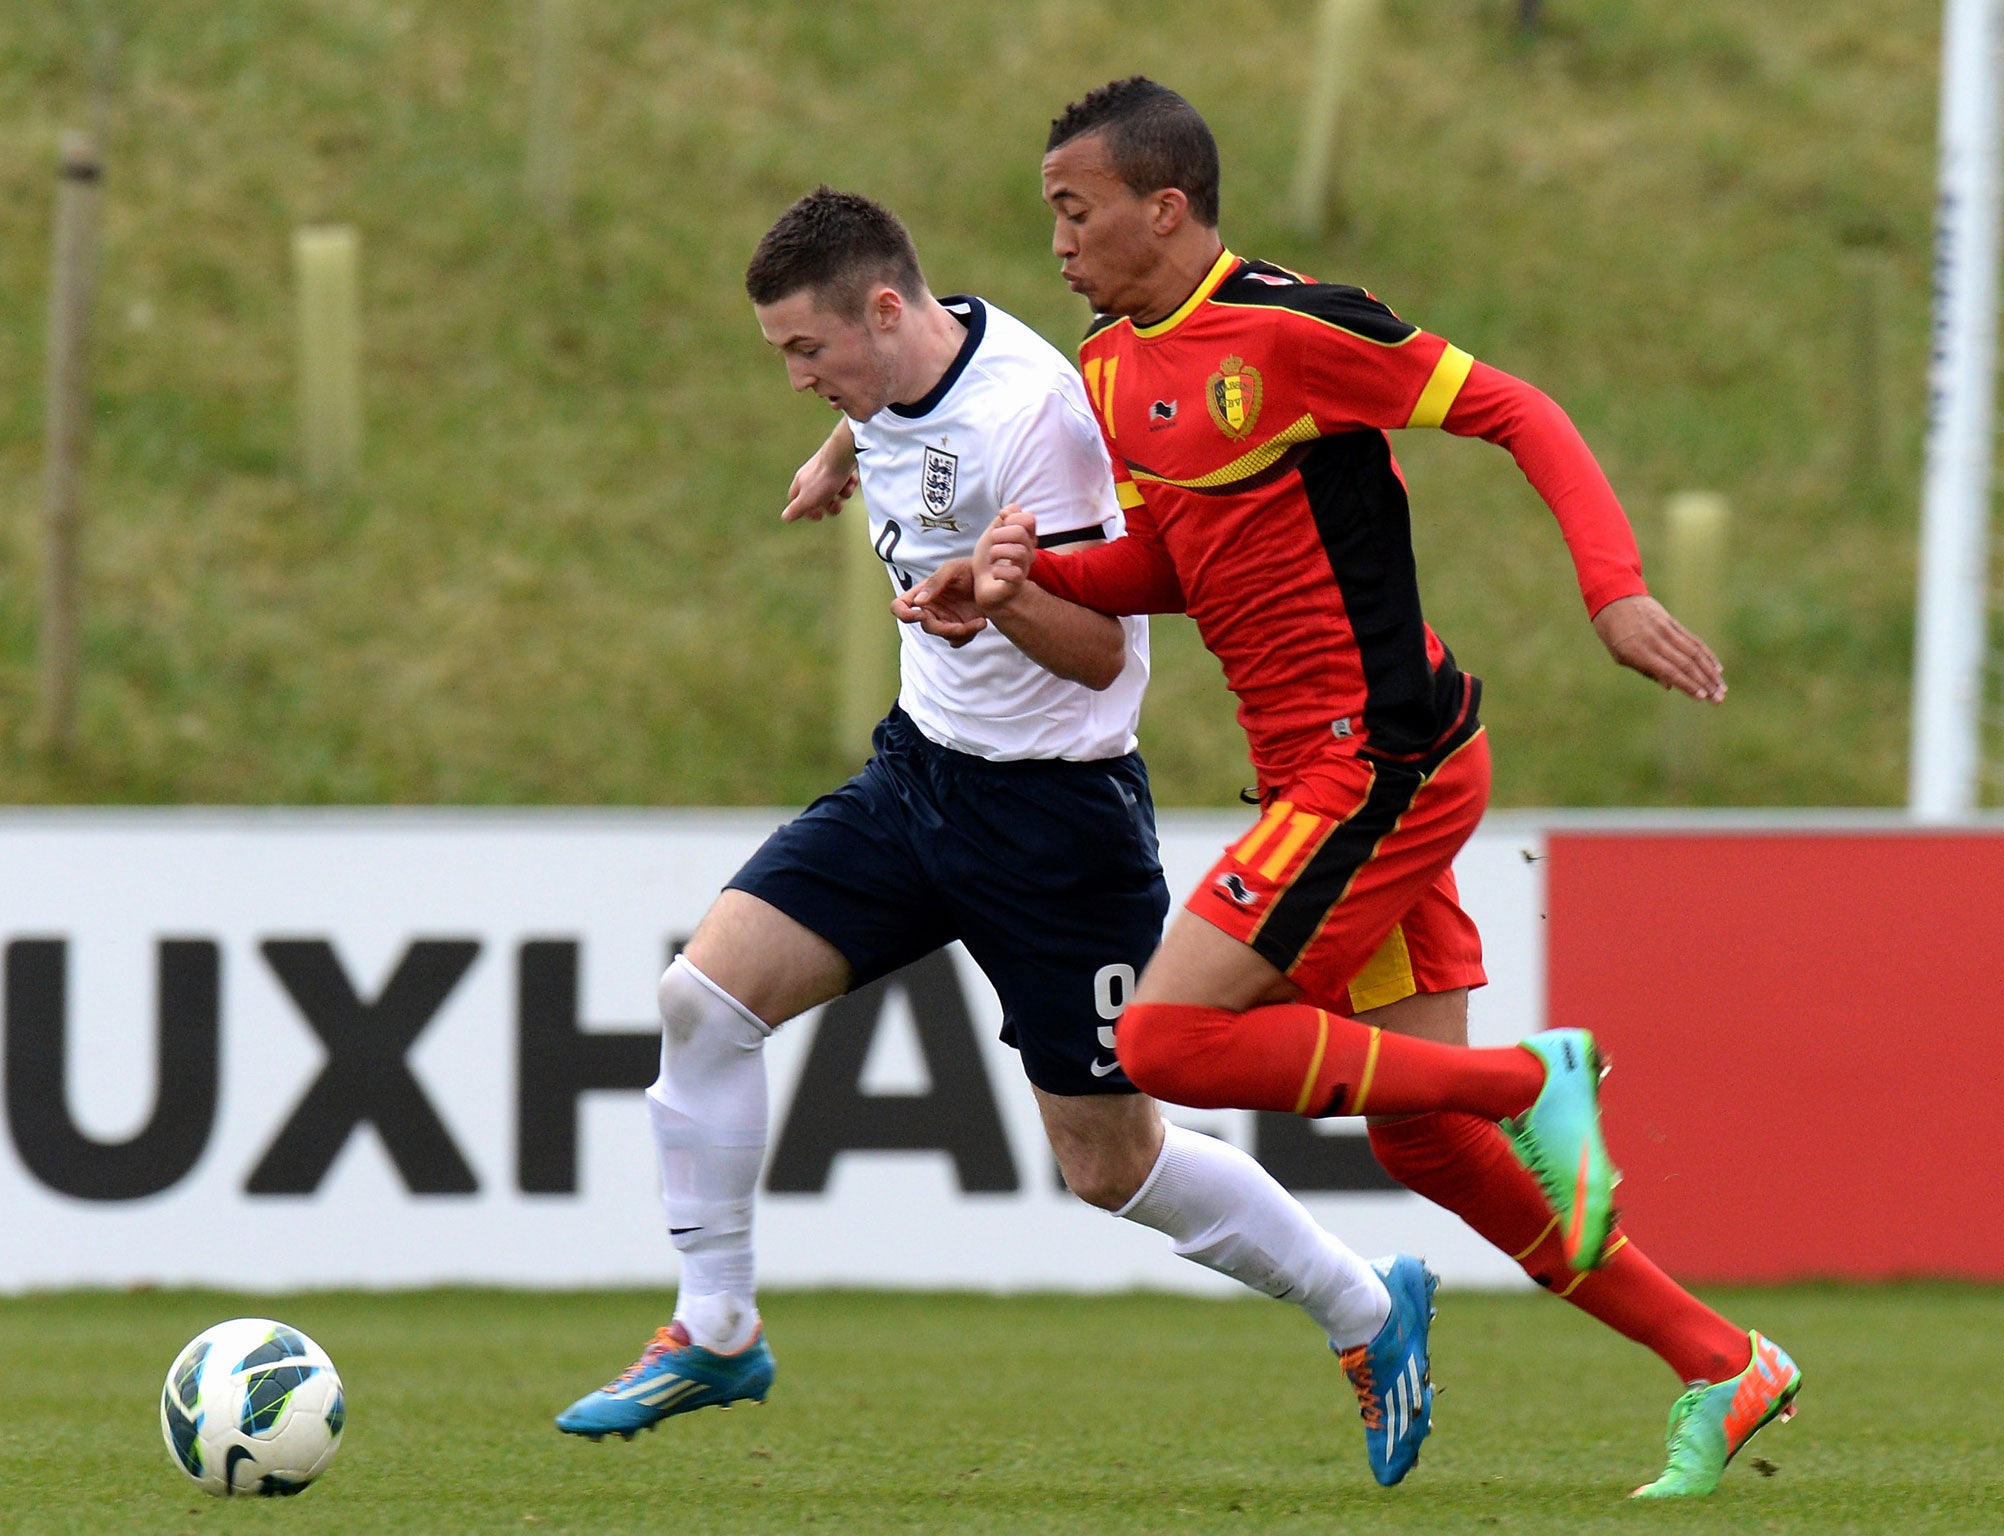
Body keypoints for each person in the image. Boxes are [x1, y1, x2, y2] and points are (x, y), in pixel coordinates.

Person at [552, 186, 1545, 1487]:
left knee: (1109, 1164)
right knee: (702, 1002)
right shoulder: (895, 380)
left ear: (886, 310)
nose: (799, 379)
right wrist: (840, 452)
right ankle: (720, 1328)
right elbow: (904, 421)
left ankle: (1367, 1307)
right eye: (786, 359)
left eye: (809, 354)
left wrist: (995, 606)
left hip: (1056, 822)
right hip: (917, 785)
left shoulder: (1036, 417)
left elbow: (1096, 655)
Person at [913, 78, 1799, 1499]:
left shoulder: (1295, 327)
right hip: (1319, 769)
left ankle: (1536, 1074)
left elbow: (1519, 408)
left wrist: (1614, 590)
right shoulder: (1106, 367)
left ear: (1168, 206)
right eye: (1050, 217)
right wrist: (1025, 581)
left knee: (1165, 1045)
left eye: (1075, 213)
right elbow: (1178, 568)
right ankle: (1720, 1361)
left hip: (1382, 752)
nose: (1059, 243)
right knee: (1420, 1138)